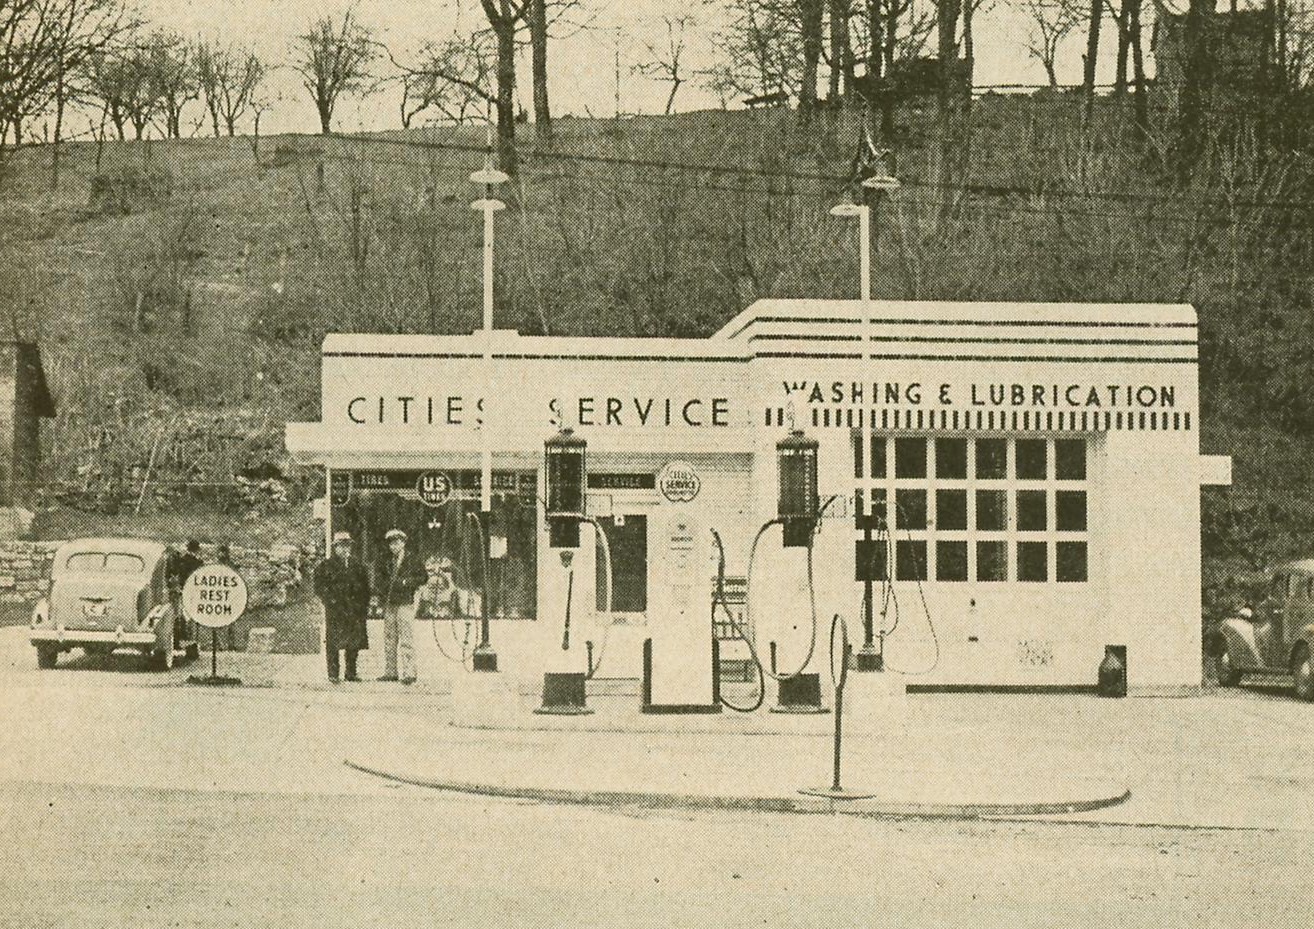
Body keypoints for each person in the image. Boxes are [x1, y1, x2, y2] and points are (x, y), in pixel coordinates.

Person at [314, 531, 370, 683]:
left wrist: (363, 604)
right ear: (335, 548)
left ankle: (351, 673)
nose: (345, 549)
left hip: (354, 609)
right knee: (333, 641)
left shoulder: (358, 565)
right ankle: (333, 673)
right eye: (341, 546)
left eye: (348, 546)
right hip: (336, 610)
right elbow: (319, 587)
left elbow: (366, 588)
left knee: (354, 641)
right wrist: (330, 601)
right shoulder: (325, 566)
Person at [373, 528, 426, 684]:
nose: (393, 546)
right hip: (389, 602)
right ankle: (390, 671)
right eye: (391, 543)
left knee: (406, 637)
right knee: (389, 638)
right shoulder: (384, 560)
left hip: (405, 602)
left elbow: (423, 577)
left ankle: (409, 672)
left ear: (403, 543)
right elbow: (378, 579)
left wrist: (406, 582)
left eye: (397, 542)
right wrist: (383, 590)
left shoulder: (413, 559)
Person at [167, 539, 204, 646]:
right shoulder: (198, 563)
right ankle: (191, 642)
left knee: (179, 615)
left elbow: (175, 574)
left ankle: (177, 640)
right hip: (193, 591)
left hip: (181, 590)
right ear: (197, 550)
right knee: (192, 617)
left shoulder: (181, 560)